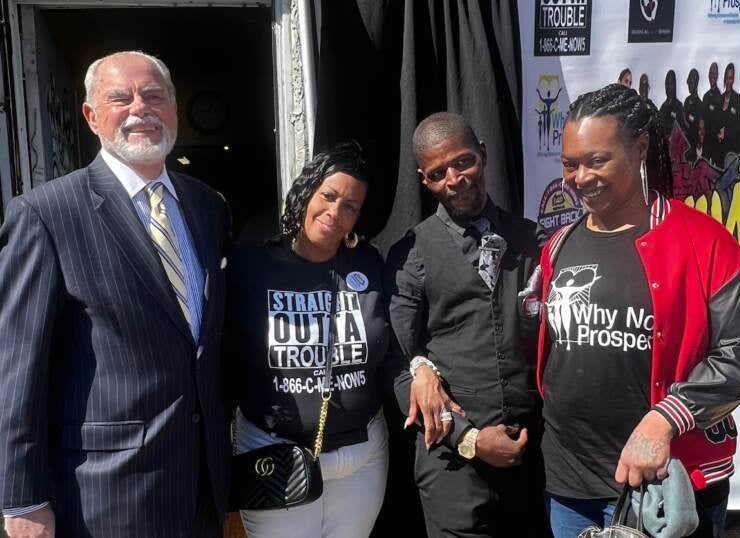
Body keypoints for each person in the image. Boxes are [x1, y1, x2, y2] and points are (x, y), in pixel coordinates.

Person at [0, 51, 232, 537]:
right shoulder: (46, 214)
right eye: (119, 98)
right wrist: (22, 500)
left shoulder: (207, 206)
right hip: (104, 496)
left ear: (173, 106)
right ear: (90, 115)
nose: (139, 109)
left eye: (153, 96)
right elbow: (18, 367)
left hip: (201, 489)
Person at [538, 83, 740, 538]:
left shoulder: (703, 241)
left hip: (666, 486)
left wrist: (665, 418)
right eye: (570, 164)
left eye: (596, 160)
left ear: (640, 148)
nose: (580, 177)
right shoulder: (558, 244)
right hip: (569, 484)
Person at [224, 141, 449, 538]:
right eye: (328, 196)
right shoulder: (249, 266)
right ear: (306, 191)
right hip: (277, 455)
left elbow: (397, 339)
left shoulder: (369, 264)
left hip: (362, 458)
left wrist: (421, 366)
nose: (335, 212)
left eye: (350, 206)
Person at [386, 112, 547, 537]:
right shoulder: (412, 252)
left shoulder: (533, 239)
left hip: (534, 461)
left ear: (484, 155)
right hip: (453, 466)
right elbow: (398, 362)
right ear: (424, 180)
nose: (455, 179)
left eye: (463, 162)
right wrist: (469, 437)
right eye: (438, 173)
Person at [717, 62, 740, 160]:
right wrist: (717, 134)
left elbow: (739, 126)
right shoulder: (719, 99)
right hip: (718, 151)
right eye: (727, 78)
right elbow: (714, 123)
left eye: (731, 78)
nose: (728, 81)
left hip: (732, 152)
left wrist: (726, 133)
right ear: (724, 78)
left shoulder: (738, 99)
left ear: (733, 79)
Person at [659, 69, 685, 136]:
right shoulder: (662, 107)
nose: (668, 87)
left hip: (675, 143)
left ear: (675, 85)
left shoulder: (679, 106)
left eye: (671, 84)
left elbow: (681, 128)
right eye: (667, 84)